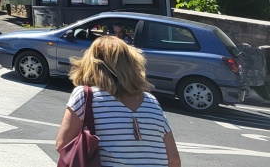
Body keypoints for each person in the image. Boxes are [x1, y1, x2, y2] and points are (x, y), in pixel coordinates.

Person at [55, 36, 181, 167]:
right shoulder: (152, 101)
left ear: (92, 65)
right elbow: (174, 159)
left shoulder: (86, 96)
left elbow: (63, 145)